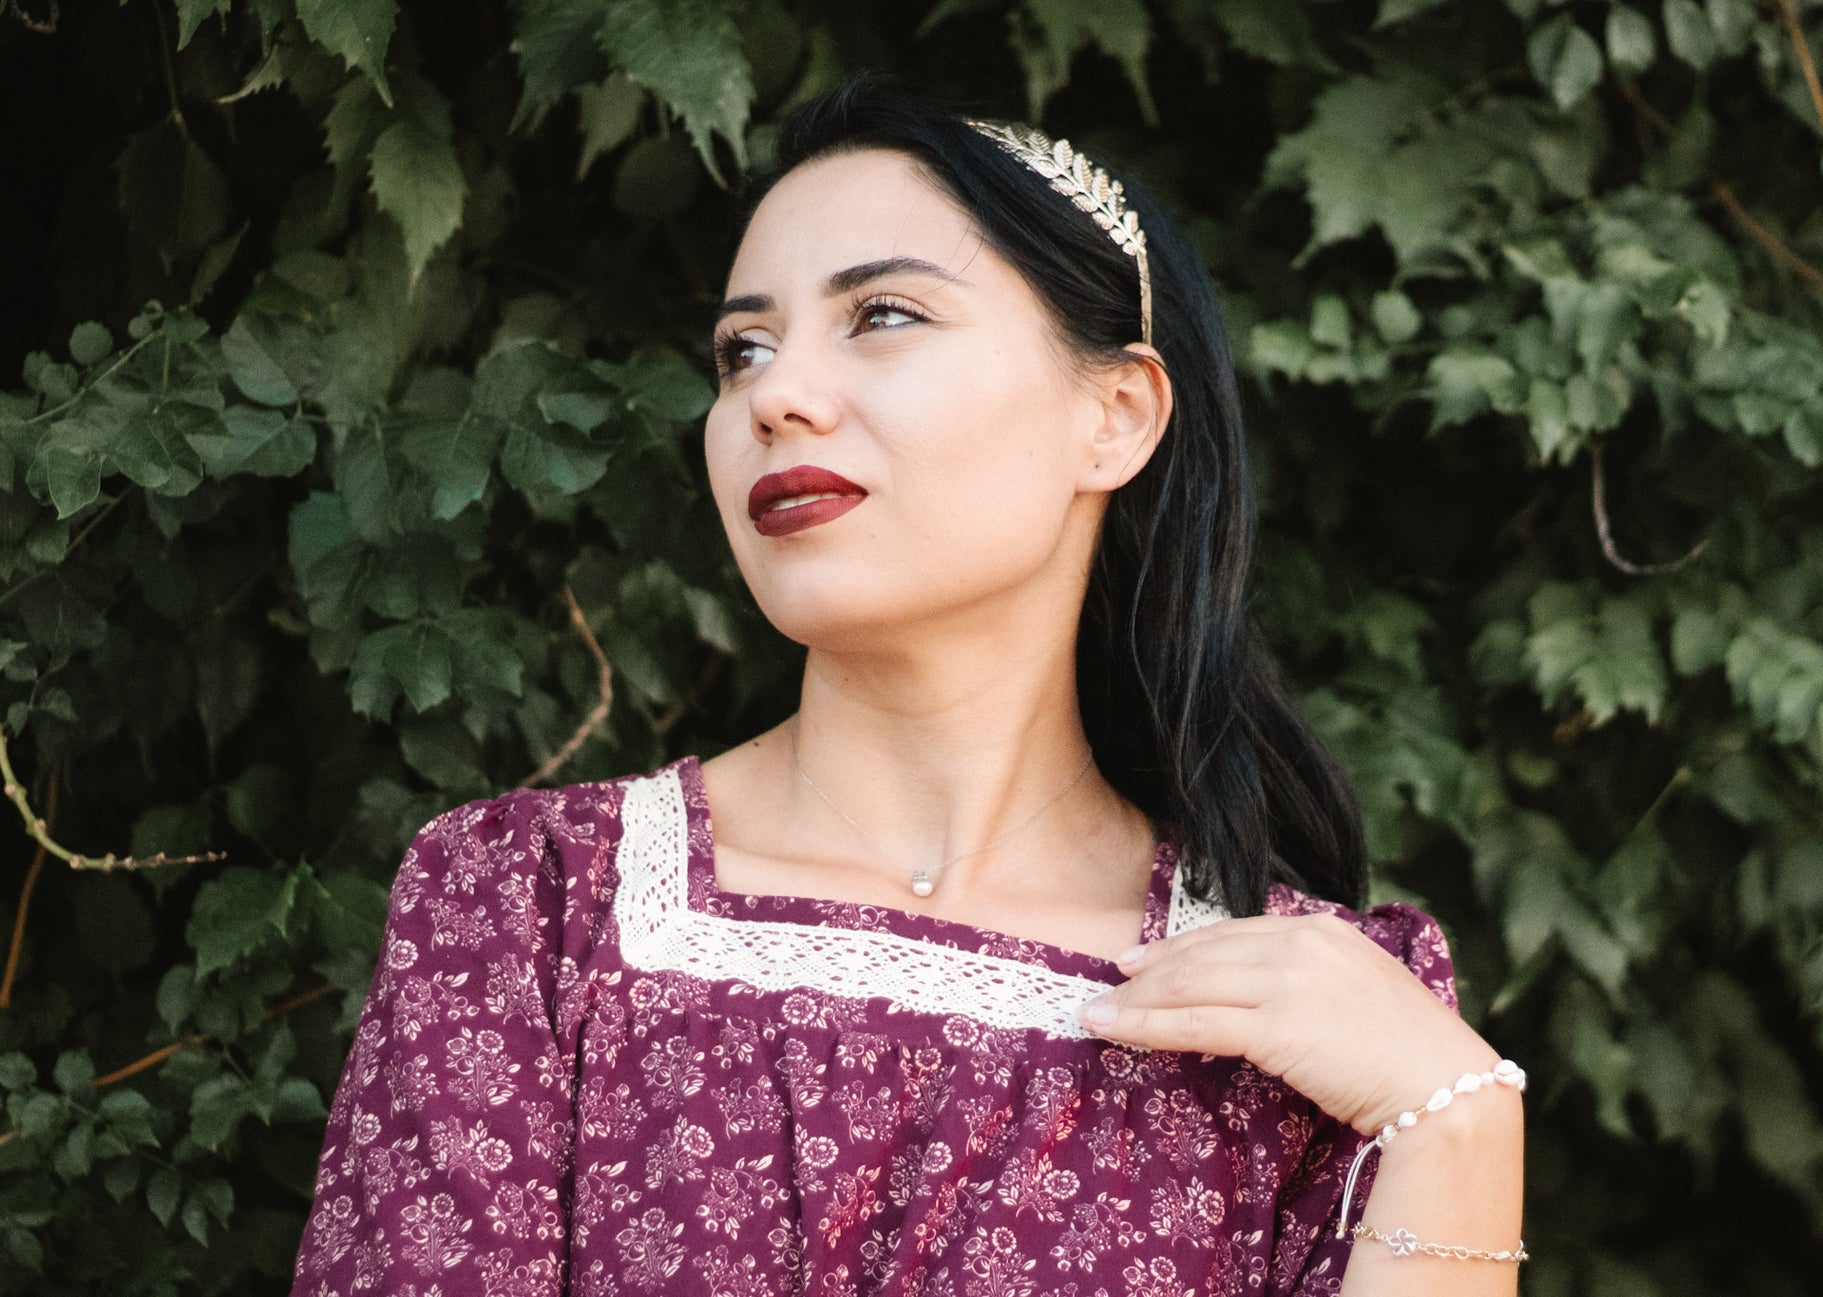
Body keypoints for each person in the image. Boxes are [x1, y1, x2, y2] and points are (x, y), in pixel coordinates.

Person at [289, 72, 1525, 1297]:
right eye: (741, 349)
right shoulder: (534, 906)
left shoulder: (1317, 1008)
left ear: (1117, 413)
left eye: (881, 315)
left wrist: (1457, 1128)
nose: (774, 395)